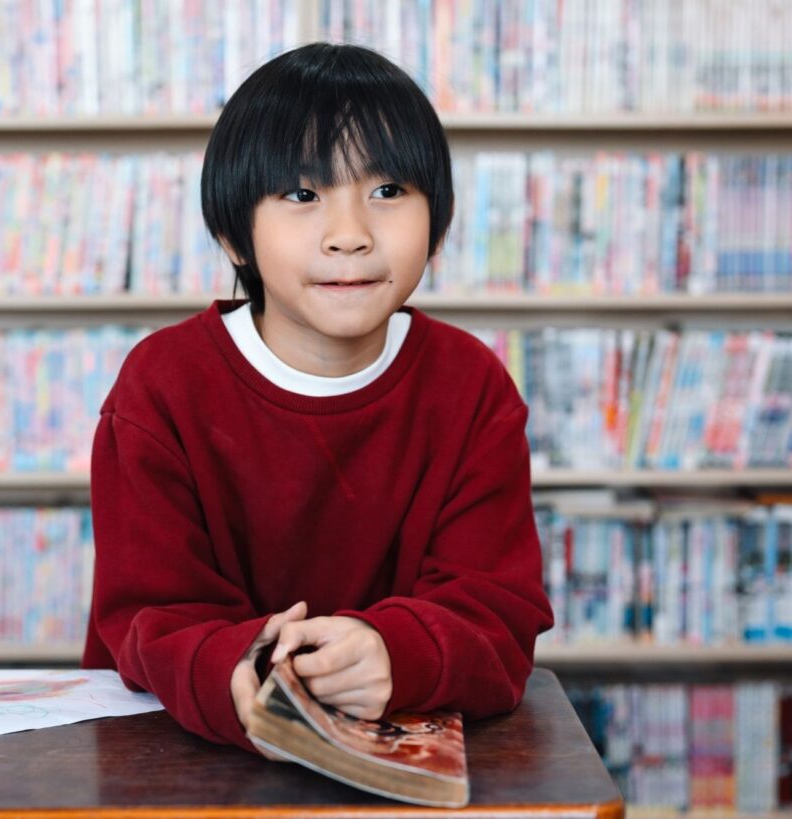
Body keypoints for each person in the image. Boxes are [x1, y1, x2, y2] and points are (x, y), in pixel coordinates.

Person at [82, 41, 554, 756]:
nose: (350, 236)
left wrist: (395, 652)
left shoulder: (471, 387)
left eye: (388, 191)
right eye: (303, 196)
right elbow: (149, 613)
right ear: (231, 233)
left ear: (441, 225)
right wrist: (232, 666)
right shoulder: (161, 385)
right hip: (182, 756)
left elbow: (496, 613)